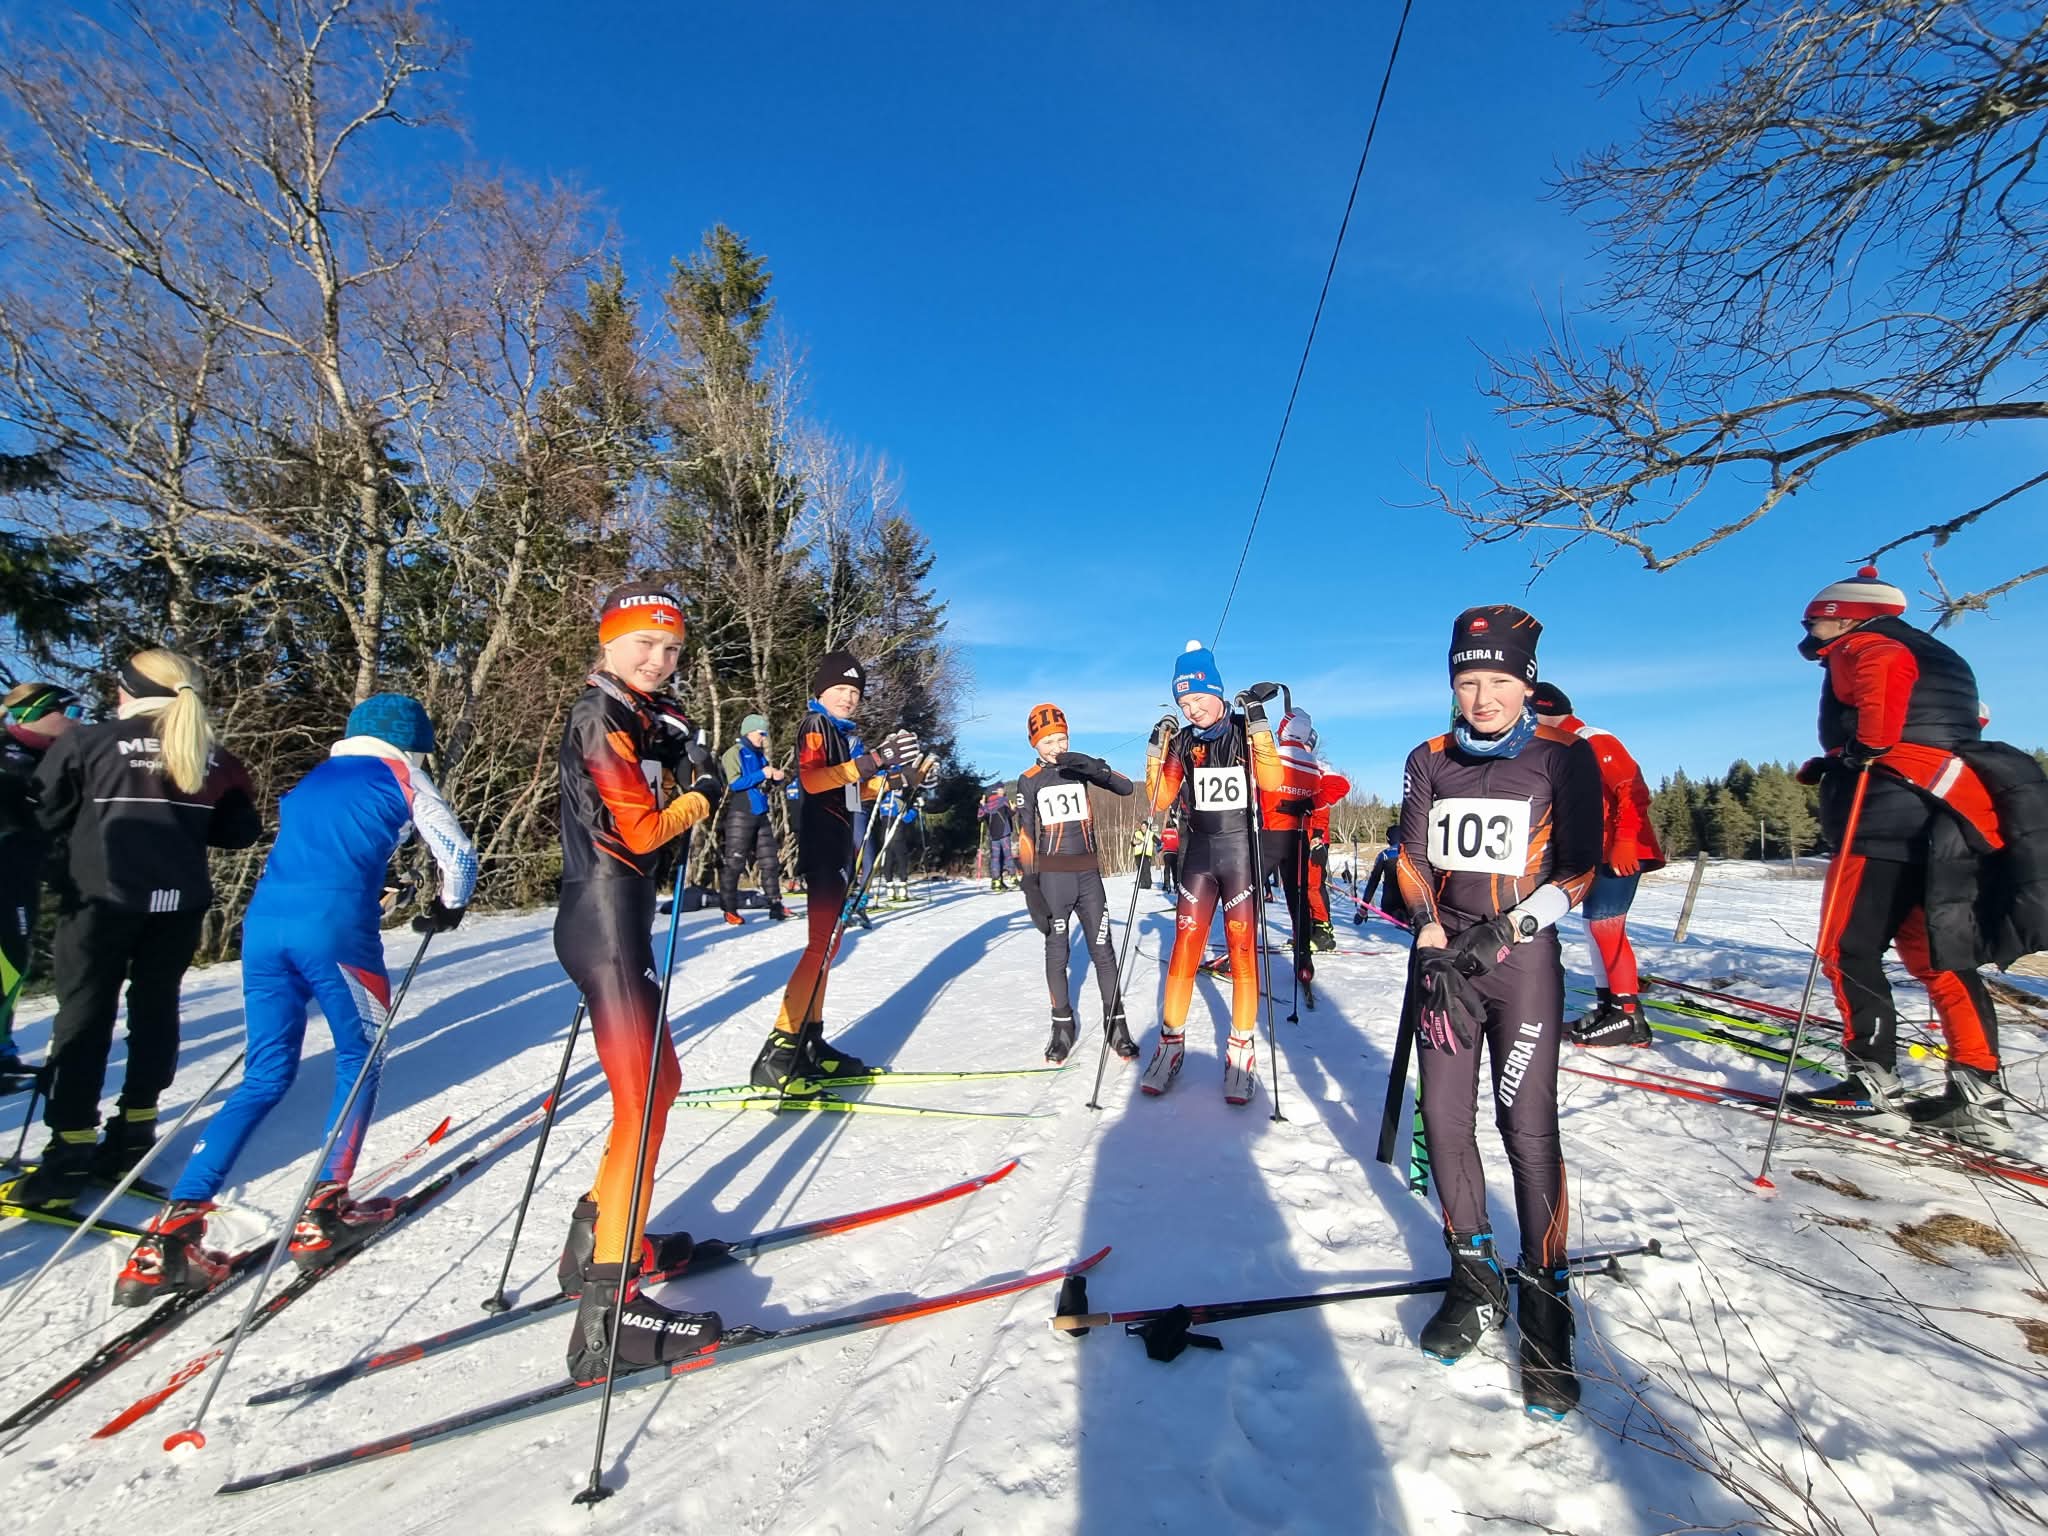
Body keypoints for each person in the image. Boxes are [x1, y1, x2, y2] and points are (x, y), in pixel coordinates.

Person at [113, 694, 477, 1303]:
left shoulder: (311, 781)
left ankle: (171, 1235)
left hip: (264, 931)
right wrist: (449, 905)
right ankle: (325, 1210)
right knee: (360, 1059)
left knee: (264, 1075)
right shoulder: (401, 772)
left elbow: (329, 848)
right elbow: (458, 854)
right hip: (335, 932)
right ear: (411, 744)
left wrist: (379, 882)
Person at [1394, 605, 1602, 1419]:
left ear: (1526, 683)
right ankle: (1474, 1277)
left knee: (1528, 1127)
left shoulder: (1563, 758)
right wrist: (1433, 931)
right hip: (1448, 970)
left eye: (1499, 681)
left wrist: (1508, 930)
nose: (1483, 697)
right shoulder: (1430, 757)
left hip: (1523, 966)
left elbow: (1580, 870)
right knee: (1445, 1122)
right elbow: (1411, 858)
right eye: (1468, 680)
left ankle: (1546, 1304)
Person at [5, 652, 259, 1212]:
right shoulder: (213, 754)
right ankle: (132, 1137)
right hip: (178, 904)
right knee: (155, 1011)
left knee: (84, 1017)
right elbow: (240, 831)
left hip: (100, 901)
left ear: (129, 692)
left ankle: (69, 1153)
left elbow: (43, 814)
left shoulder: (88, 742)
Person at [1787, 566, 2027, 1149]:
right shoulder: (1942, 653)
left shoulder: (1866, 642)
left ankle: (1871, 1086)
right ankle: (1978, 1093)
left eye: (1815, 617)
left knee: (1848, 950)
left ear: (1844, 612)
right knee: (1940, 956)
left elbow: (1883, 714)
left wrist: (1860, 748)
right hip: (1949, 819)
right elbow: (1943, 728)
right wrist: (1838, 759)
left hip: (1880, 822)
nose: (1811, 629)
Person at [553, 582, 727, 1382]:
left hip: (617, 916)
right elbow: (644, 828)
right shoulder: (599, 716)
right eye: (643, 645)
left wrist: (674, 743)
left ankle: (597, 1238)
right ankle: (609, 1314)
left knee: (659, 1087)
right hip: (604, 918)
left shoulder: (631, 713)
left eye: (671, 649)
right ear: (608, 642)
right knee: (643, 1096)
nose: (658, 660)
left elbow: (650, 755)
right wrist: (703, 791)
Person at [749, 651, 919, 1090]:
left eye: (854, 692)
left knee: (828, 949)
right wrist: (877, 760)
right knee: (819, 949)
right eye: (840, 689)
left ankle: (809, 1039)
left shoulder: (843, 734)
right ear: (821, 690)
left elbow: (854, 788)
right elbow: (812, 780)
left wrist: (904, 780)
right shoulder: (816, 726)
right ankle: (781, 1048)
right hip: (824, 848)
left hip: (842, 848)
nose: (847, 697)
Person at [1142, 642, 1285, 1105]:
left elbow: (1270, 783)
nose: (1193, 710)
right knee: (1185, 948)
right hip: (1198, 853)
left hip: (1239, 853)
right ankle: (1170, 1044)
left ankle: (1241, 1049)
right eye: (1184, 704)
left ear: (1217, 691)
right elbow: (1160, 799)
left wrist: (1260, 723)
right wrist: (1156, 749)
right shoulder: (1184, 741)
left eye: (1199, 699)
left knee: (1242, 949)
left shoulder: (1242, 731)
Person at [1531, 682, 1667, 1048]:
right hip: (1596, 851)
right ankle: (1611, 1006)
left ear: (1543, 711)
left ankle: (1627, 1014)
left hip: (1619, 849)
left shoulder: (1592, 739)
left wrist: (1624, 840)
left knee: (1607, 927)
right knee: (1596, 928)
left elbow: (1632, 788)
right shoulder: (1562, 747)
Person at [1013, 702, 1138, 1064]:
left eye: (1062, 738)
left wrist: (1092, 767)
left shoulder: (1077, 768)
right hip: (1054, 877)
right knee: (1057, 953)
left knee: (1103, 950)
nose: (1056, 747)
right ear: (1034, 743)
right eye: (1048, 741)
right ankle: (1062, 1025)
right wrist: (1030, 884)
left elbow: (1126, 788)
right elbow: (1026, 834)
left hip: (1088, 874)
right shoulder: (1030, 778)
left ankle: (1116, 1024)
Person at [0, 682, 81, 1082]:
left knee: (13, 964)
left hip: (23, 875)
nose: (76, 722)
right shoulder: (13, 757)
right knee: (7, 965)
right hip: (8, 876)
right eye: (71, 712)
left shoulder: (44, 754)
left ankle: (3, 1050)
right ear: (40, 714)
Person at [1260, 708, 1324, 990]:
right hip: (1299, 836)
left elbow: (1259, 788)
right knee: (1297, 900)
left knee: (1245, 895)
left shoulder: (1273, 756)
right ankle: (1304, 961)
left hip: (1271, 833)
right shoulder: (1314, 764)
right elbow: (1324, 797)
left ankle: (1240, 953)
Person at [718, 713, 787, 925]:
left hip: (760, 811)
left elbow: (764, 780)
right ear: (749, 732)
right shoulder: (734, 753)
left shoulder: (759, 755)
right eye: (761, 733)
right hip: (741, 812)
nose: (763, 738)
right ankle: (729, 909)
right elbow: (735, 784)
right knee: (735, 862)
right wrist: (762, 774)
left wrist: (776, 778)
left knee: (770, 861)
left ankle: (775, 905)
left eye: (764, 734)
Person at [1307, 759, 1351, 952]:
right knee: (1300, 887)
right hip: (1297, 834)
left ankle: (1323, 932)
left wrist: (1317, 836)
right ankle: (1306, 930)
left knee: (1313, 885)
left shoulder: (1315, 765)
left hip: (1315, 839)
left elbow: (1339, 787)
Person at [1357, 825, 1401, 926]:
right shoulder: (1412, 854)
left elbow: (1373, 882)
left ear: (1389, 839)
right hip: (1412, 905)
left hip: (1389, 905)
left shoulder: (1384, 855)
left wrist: (1363, 908)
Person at [979, 787, 1016, 891]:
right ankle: (1013, 877)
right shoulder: (1003, 801)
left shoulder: (987, 804)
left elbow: (980, 817)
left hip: (993, 835)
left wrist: (982, 805)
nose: (1004, 790)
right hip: (1004, 833)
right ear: (997, 791)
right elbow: (1010, 813)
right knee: (1007, 855)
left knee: (995, 858)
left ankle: (996, 881)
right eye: (1002, 789)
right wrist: (1013, 809)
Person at [1159, 810, 1182, 905]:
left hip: (1166, 853)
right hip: (1175, 853)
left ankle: (1167, 885)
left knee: (1167, 869)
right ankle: (1176, 885)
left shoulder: (1164, 833)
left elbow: (1161, 843)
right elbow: (1179, 843)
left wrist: (1160, 850)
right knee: (1175, 870)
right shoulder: (1176, 832)